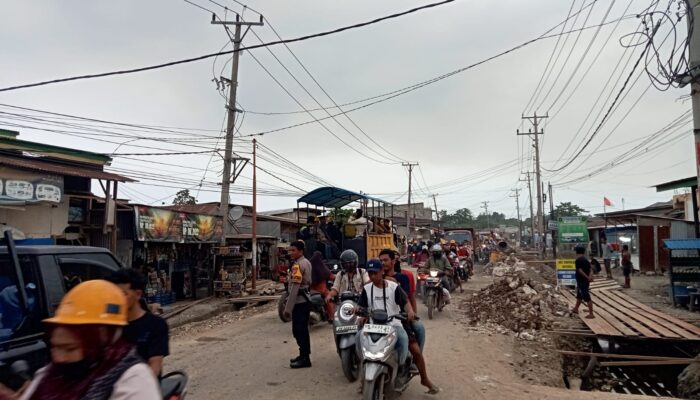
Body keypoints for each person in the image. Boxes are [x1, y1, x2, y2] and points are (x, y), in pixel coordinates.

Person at [21, 280, 160, 400]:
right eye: (55, 347)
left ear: (101, 341)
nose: (59, 357)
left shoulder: (133, 379)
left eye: (70, 349)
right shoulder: (48, 375)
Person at [377, 250, 439, 394]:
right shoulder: (375, 277)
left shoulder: (402, 278)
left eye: (386, 260)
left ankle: (421, 375)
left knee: (416, 347)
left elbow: (407, 298)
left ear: (393, 261)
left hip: (398, 318)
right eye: (381, 261)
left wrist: (412, 314)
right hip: (378, 319)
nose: (383, 263)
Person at [107, 269, 169, 377]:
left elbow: (155, 366)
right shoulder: (110, 326)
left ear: (138, 294)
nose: (117, 299)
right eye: (114, 294)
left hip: (144, 387)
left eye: (123, 294)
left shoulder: (156, 325)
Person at [357, 259, 413, 377]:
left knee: (403, 339)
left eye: (375, 273)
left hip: (393, 324)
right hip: (373, 325)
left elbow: (405, 302)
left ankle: (402, 368)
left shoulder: (394, 287)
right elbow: (361, 305)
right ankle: (363, 364)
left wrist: (410, 311)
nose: (372, 276)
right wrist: (358, 311)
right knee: (358, 337)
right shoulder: (367, 289)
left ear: (382, 271)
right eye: (370, 273)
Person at [283, 240, 313, 368]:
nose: (291, 253)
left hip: (300, 302)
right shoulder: (305, 262)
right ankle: (303, 355)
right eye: (290, 250)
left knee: (299, 331)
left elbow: (295, 288)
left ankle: (305, 358)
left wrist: (287, 309)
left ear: (300, 251)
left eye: (293, 250)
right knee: (301, 331)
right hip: (304, 301)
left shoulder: (298, 265)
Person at [309, 251, 333, 322]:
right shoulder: (320, 265)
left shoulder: (309, 264)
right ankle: (331, 317)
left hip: (310, 290)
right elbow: (330, 275)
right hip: (321, 290)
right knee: (329, 298)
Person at [571, 246, 595, 319]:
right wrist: (590, 277)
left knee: (586, 296)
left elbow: (580, 271)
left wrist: (587, 277)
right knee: (579, 295)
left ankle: (591, 313)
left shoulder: (578, 260)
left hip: (582, 280)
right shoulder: (586, 260)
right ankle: (576, 308)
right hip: (585, 281)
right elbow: (591, 269)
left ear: (576, 252)